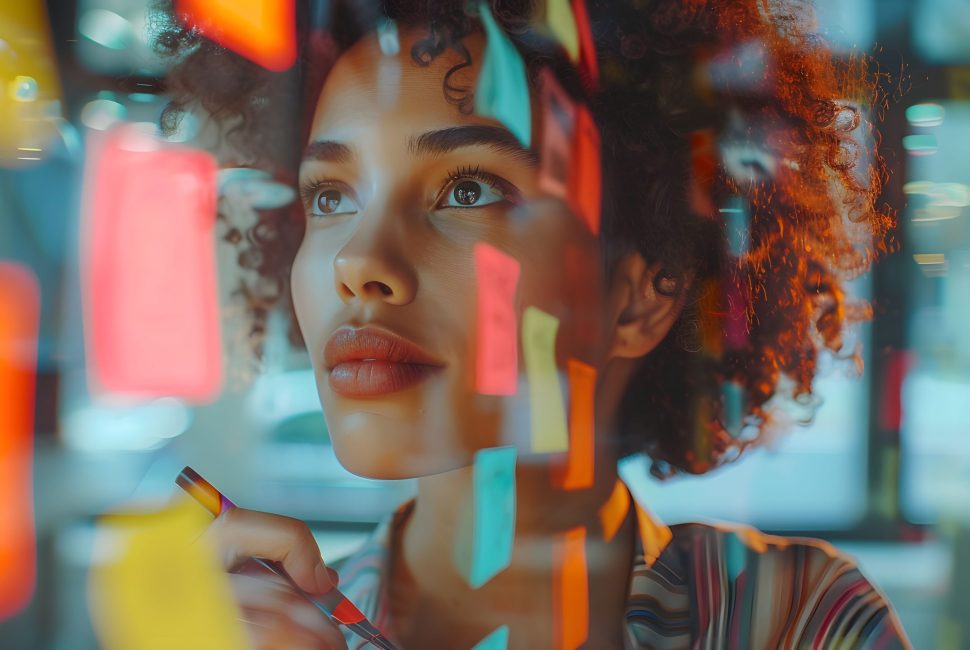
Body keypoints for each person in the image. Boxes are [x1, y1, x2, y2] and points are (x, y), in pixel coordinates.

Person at [156, 0, 911, 647]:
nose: (358, 259)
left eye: (467, 188)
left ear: (641, 293)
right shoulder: (257, 634)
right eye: (328, 197)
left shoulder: (796, 623)